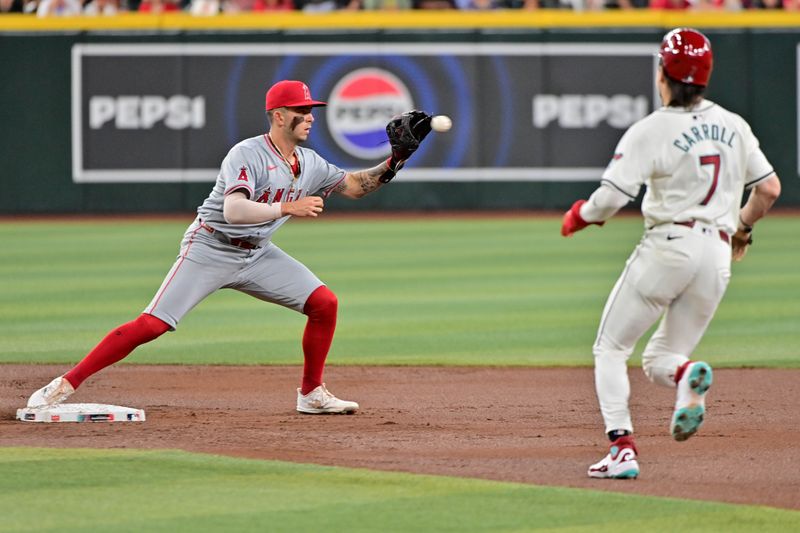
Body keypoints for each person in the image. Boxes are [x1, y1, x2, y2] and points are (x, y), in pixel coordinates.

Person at [27, 80, 432, 415]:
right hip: (211, 246)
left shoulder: (309, 162)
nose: (309, 117)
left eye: (311, 110)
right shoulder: (247, 153)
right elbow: (234, 210)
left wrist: (395, 159)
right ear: (278, 116)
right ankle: (63, 385)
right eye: (300, 110)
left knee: (324, 303)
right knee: (153, 324)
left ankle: (311, 394)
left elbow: (356, 187)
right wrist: (288, 206)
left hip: (257, 253)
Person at [561, 28, 781, 479]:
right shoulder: (735, 125)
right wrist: (741, 228)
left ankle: (622, 450)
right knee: (662, 358)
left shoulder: (652, 128)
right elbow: (769, 189)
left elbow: (609, 199)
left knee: (610, 348)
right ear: (705, 76)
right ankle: (686, 377)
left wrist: (581, 215)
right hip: (716, 255)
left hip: (669, 246)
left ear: (663, 73)